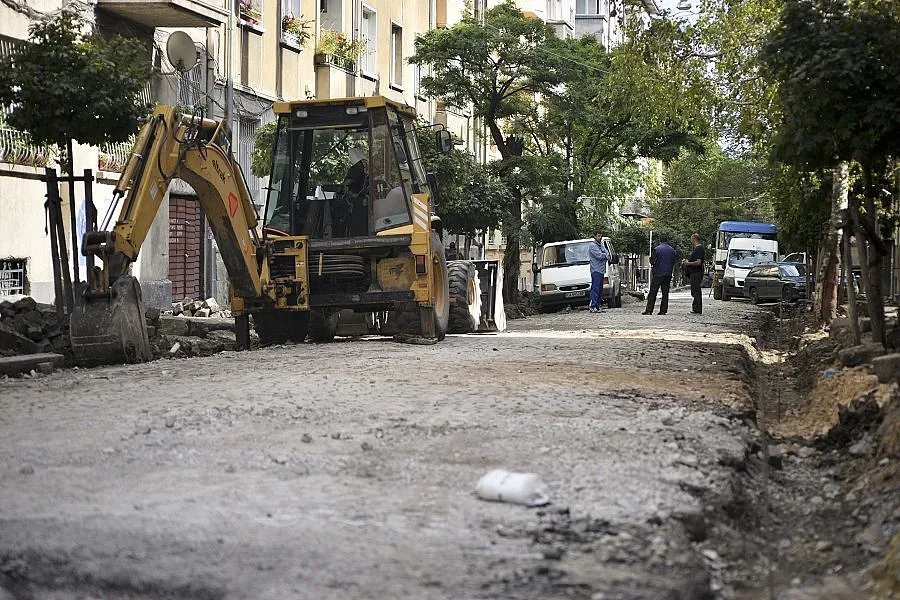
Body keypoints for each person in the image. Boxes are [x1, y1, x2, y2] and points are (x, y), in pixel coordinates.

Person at [643, 238, 676, 315]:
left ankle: (649, 310)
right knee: (665, 293)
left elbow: (652, 261)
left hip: (658, 273)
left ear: (660, 241)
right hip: (668, 274)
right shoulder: (672, 250)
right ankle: (663, 310)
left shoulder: (657, 249)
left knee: (653, 292)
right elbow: (673, 261)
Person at [588, 233, 610, 313]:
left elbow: (607, 253)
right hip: (596, 270)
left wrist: (605, 254)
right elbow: (600, 256)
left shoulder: (601, 245)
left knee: (600, 290)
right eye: (598, 236)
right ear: (594, 236)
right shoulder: (593, 246)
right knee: (595, 289)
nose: (600, 238)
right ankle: (593, 306)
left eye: (601, 236)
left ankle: (597, 306)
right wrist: (605, 255)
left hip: (601, 270)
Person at [684, 233, 705, 314]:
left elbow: (698, 262)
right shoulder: (697, 248)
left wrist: (688, 263)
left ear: (694, 239)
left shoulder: (699, 249)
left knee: (696, 290)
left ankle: (697, 308)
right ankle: (695, 307)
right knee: (694, 290)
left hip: (696, 273)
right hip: (694, 273)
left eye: (691, 239)